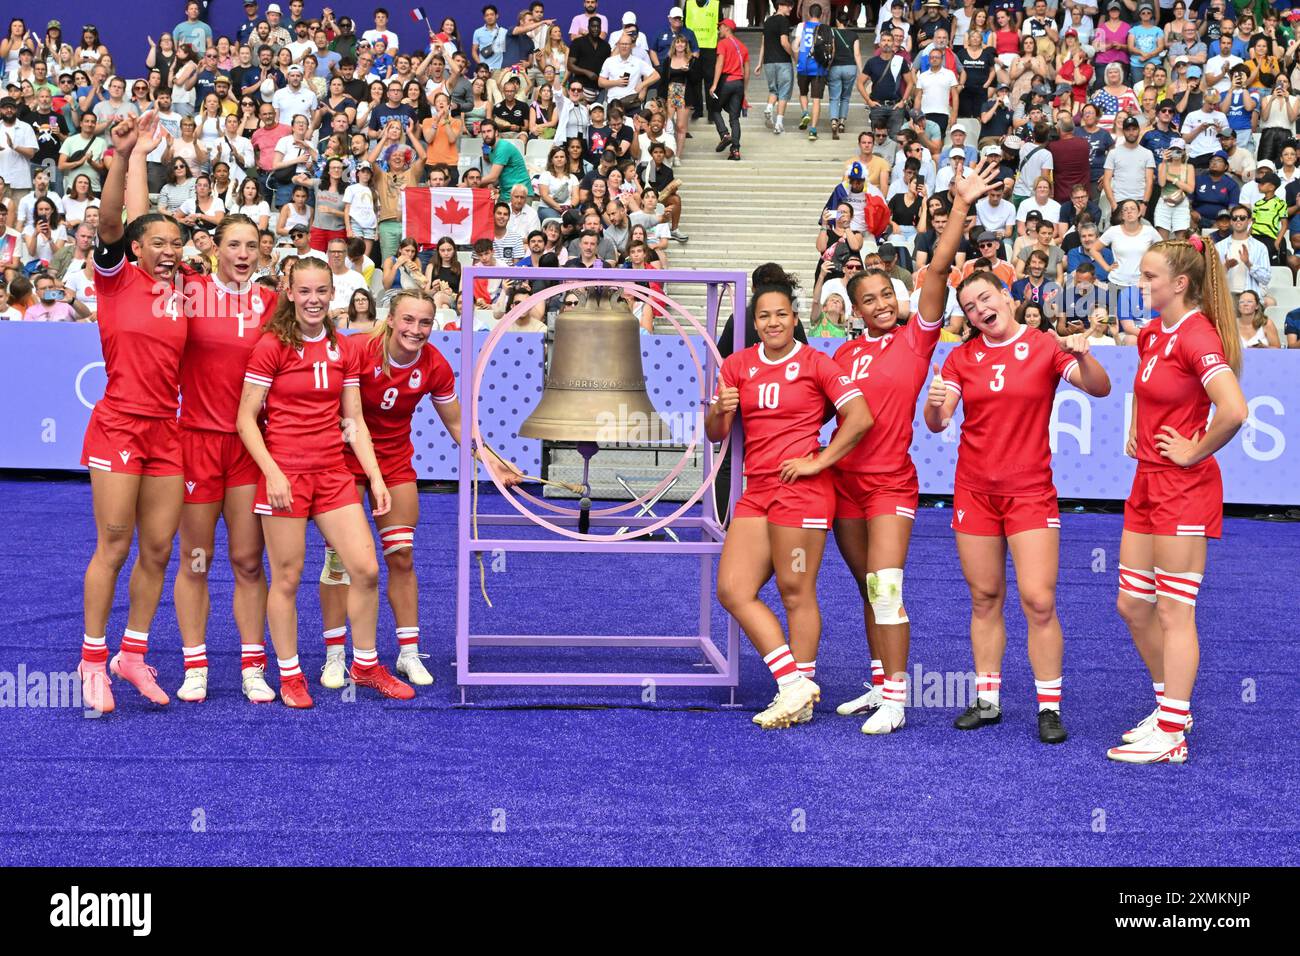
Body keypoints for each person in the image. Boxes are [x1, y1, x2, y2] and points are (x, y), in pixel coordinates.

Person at [831, 158, 1004, 736]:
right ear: (855, 311)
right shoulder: (840, 355)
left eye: (888, 295)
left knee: (886, 585)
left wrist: (959, 206)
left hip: (889, 483)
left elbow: (936, 273)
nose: (882, 304)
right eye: (870, 300)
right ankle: (878, 683)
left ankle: (898, 698)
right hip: (843, 482)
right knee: (864, 585)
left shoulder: (914, 340)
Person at [923, 230, 1113, 744]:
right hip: (974, 493)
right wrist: (936, 401)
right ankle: (988, 699)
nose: (981, 308)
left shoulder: (1046, 346)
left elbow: (1098, 387)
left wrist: (1085, 351)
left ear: (1008, 297)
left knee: (1038, 600)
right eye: (970, 305)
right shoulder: (960, 359)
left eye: (986, 297)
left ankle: (1048, 706)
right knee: (984, 596)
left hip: (1030, 492)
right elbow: (939, 423)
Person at [317, 291, 522, 686]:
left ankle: (408, 653)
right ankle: (335, 656)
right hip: (343, 460)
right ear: (391, 319)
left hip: (394, 464)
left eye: (424, 323)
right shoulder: (358, 349)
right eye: (408, 320)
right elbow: (349, 417)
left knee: (403, 557)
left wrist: (494, 460)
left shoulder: (434, 365)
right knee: (340, 562)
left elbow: (459, 424)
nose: (416, 329)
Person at [236, 257, 412, 708]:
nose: (313, 299)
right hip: (286, 475)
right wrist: (272, 471)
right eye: (305, 291)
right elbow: (246, 420)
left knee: (366, 569)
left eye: (321, 291)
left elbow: (353, 420)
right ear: (290, 293)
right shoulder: (271, 347)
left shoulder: (345, 349)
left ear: (332, 294)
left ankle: (366, 664)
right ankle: (291, 674)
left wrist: (374, 476)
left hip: (333, 473)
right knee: (288, 578)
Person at [707, 272, 872, 730]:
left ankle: (798, 695)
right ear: (754, 322)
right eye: (764, 316)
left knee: (795, 590)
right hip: (756, 489)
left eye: (781, 314)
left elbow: (860, 418)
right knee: (733, 589)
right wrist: (719, 411)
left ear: (795, 318)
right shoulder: (738, 365)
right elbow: (715, 434)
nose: (773, 322)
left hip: (801, 491)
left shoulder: (817, 363)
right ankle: (793, 683)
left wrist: (819, 463)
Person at [1106, 235, 1247, 763]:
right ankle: (1171, 709)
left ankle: (1172, 733)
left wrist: (1193, 450)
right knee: (1131, 603)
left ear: (1180, 284)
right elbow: (1148, 392)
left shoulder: (1198, 335)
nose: (1141, 284)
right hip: (1147, 483)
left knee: (1173, 611)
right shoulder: (1151, 335)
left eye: (1149, 277)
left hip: (1184, 490)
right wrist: (1139, 428)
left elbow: (1233, 410)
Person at [76, 115, 188, 714]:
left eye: (177, 244)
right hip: (118, 423)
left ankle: (132, 655)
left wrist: (145, 153)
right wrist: (122, 158)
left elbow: (146, 221)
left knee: (158, 551)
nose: (169, 252)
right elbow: (122, 221)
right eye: (159, 245)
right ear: (138, 251)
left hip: (166, 431)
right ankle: (93, 660)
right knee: (114, 546)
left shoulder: (186, 287)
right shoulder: (116, 280)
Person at [757, 0, 795, 136]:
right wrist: (794, 55)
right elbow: (784, 42)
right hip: (783, 62)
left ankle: (769, 107)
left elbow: (763, 44)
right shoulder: (783, 21)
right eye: (788, 5)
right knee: (784, 92)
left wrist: (759, 63)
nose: (790, 8)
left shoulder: (767, 21)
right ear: (780, 5)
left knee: (773, 90)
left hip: (768, 62)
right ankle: (778, 124)